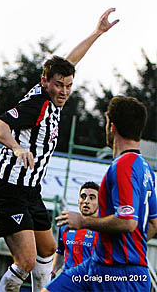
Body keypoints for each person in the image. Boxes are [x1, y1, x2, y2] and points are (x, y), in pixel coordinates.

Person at [0, 8, 119, 292]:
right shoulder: (36, 105)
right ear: (45, 82)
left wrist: (97, 33)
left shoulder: (52, 92)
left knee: (48, 251)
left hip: (31, 192)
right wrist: (18, 148)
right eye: (58, 85)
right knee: (27, 262)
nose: (64, 91)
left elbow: (69, 60)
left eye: (68, 86)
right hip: (8, 190)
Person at [43, 96, 157, 292]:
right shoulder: (146, 169)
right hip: (97, 266)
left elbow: (128, 222)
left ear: (111, 126)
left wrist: (83, 221)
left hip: (122, 274)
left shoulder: (124, 165)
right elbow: (154, 223)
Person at [51, 181, 99, 279]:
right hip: (68, 281)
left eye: (92, 198)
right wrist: (53, 270)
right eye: (83, 196)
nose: (86, 201)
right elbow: (60, 251)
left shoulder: (104, 228)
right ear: (78, 201)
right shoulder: (66, 225)